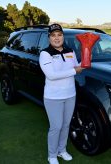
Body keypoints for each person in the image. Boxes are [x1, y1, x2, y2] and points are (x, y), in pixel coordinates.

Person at [39, 23, 84, 164]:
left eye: (59, 35)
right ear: (49, 38)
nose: (57, 38)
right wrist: (74, 71)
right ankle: (51, 155)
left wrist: (86, 59)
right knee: (56, 126)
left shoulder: (70, 51)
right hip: (53, 97)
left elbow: (77, 67)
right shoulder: (45, 54)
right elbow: (52, 75)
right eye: (53, 35)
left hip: (70, 94)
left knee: (66, 125)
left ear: (63, 36)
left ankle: (62, 150)